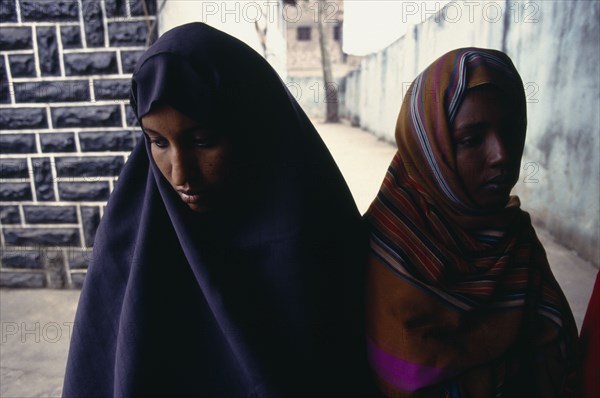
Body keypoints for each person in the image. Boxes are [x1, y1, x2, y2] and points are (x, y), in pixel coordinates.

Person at [62, 23, 376, 397]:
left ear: (251, 127)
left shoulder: (316, 232)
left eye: (203, 141)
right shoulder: (127, 245)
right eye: (157, 142)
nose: (180, 174)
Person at [364, 48, 578, 397]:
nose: (502, 155)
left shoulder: (514, 240)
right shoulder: (390, 249)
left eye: (510, 131)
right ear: (431, 148)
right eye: (471, 140)